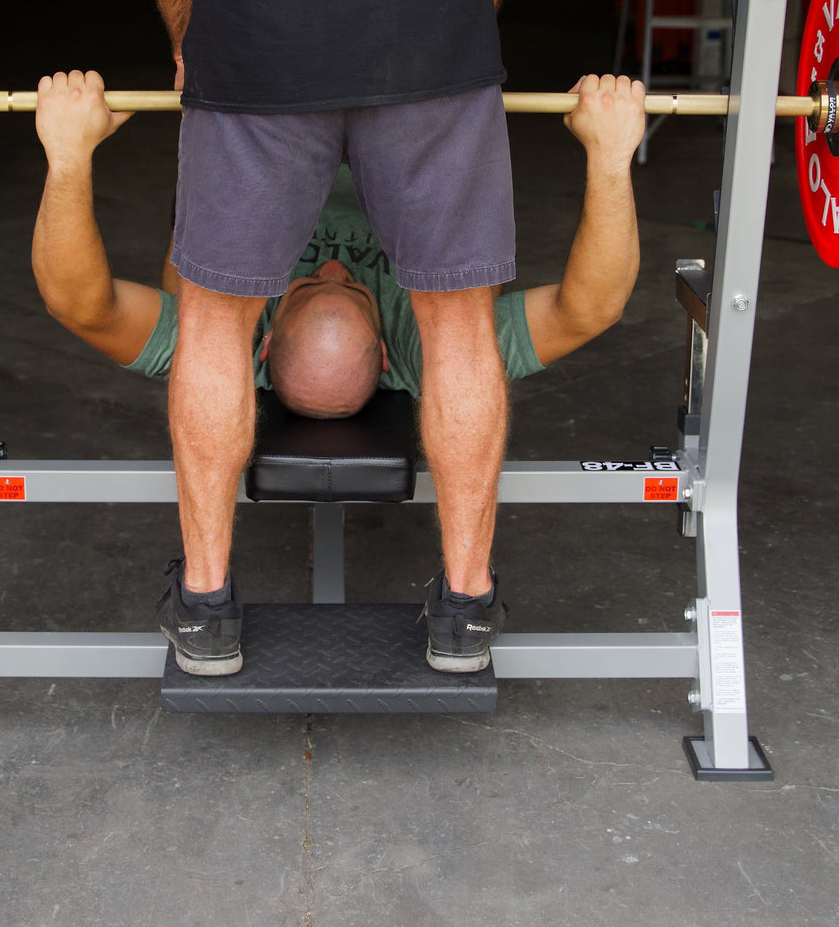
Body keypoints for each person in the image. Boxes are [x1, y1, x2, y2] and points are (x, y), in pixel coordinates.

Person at [112, 0, 555, 678]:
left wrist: (199, 24)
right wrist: (447, 17)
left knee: (218, 324)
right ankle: (467, 609)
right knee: (458, 326)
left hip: (254, 39)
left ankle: (205, 605)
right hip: (432, 41)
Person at [32, 70, 648, 674]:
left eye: (314, 286)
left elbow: (82, 304)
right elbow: (588, 307)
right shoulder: (424, 349)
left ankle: (204, 602)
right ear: (385, 355)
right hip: (405, 104)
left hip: (271, 106)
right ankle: (466, 606)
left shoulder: (229, 344)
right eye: (354, 288)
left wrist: (67, 158)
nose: (330, 266)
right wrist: (611, 156)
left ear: (266, 343)